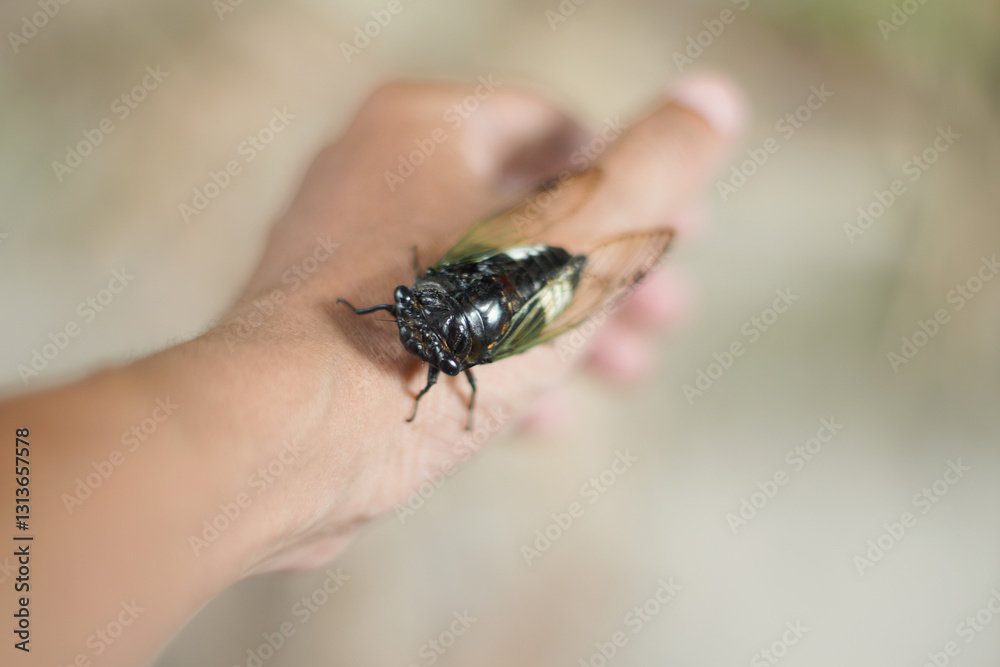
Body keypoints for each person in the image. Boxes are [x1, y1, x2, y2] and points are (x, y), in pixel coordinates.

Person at [1, 74, 743, 666]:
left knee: (579, 289)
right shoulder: (416, 309)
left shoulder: (446, 343)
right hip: (485, 279)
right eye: (406, 314)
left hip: (528, 288)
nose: (409, 331)